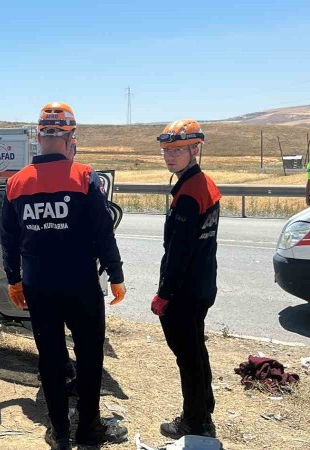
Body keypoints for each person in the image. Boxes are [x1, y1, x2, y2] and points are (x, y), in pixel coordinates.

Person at [0, 102, 128, 449]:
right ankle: (88, 429)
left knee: (51, 358)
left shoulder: (16, 183)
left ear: (38, 137)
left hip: (38, 285)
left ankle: (59, 432)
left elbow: (8, 239)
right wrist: (115, 274)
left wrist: (13, 279)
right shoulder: (84, 177)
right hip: (80, 284)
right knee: (89, 356)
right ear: (71, 138)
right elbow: (103, 232)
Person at [152, 119, 221, 439]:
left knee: (188, 356)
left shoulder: (190, 193)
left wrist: (164, 294)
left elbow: (179, 252)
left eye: (177, 150)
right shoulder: (204, 184)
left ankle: (194, 422)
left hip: (184, 290)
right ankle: (204, 408)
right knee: (196, 349)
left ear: (195, 149)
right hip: (203, 283)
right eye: (166, 150)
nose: (169, 156)